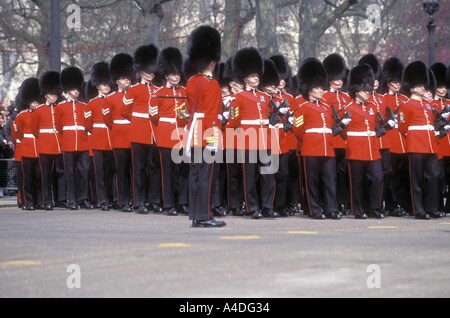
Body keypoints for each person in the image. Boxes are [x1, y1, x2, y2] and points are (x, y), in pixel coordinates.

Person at [229, 47, 277, 219]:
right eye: (252, 76)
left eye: (256, 75)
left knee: (268, 175)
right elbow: (234, 121)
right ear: (245, 78)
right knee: (249, 176)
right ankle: (251, 207)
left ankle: (267, 206)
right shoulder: (239, 97)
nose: (255, 78)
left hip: (265, 139)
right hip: (248, 139)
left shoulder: (265, 97)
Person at [292, 58, 343, 219]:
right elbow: (297, 129)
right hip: (310, 148)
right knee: (311, 182)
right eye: (317, 87)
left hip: (327, 148)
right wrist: (308, 141)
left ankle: (331, 209)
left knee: (330, 181)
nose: (321, 90)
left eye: (321, 87)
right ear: (309, 89)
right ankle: (314, 209)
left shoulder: (327, 107)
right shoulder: (302, 108)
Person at [185, 25, 226, 227]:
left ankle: (195, 215)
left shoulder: (191, 82)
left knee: (195, 174)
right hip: (207, 133)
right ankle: (205, 215)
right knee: (207, 176)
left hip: (194, 133)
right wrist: (212, 139)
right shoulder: (212, 84)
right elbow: (211, 115)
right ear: (212, 62)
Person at [398, 61, 446, 219]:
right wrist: (414, 138)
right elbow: (403, 126)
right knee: (416, 180)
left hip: (430, 145)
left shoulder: (427, 105)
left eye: (423, 85)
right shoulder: (406, 105)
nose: (423, 87)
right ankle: (418, 209)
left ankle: (431, 207)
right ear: (411, 88)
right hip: (416, 145)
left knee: (433, 177)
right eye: (419, 86)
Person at [122, 44, 160, 214]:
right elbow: (124, 111)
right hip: (139, 133)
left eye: (152, 71)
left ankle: (153, 200)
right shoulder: (133, 90)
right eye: (148, 71)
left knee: (153, 169)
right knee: (138, 169)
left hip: (154, 134)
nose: (151, 74)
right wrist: (138, 120)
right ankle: (138, 202)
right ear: (140, 71)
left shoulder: (157, 90)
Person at [343, 64, 385, 219]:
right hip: (356, 149)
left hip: (372, 148)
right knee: (357, 182)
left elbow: (376, 125)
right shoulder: (348, 108)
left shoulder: (372, 107)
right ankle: (358, 209)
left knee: (378, 178)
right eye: (364, 89)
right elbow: (342, 130)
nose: (368, 92)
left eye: (368, 89)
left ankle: (375, 207)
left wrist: (380, 130)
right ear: (356, 90)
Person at [151, 47, 187, 216]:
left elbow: (186, 114)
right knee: (167, 172)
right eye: (173, 74)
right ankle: (168, 204)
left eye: (177, 74)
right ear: (166, 75)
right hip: (165, 136)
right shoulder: (158, 93)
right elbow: (154, 117)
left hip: (180, 135)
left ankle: (181, 202)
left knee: (180, 171)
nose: (176, 77)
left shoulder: (184, 92)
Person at [358, 54, 392, 215]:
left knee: (383, 174)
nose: (375, 82)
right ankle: (367, 205)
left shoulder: (381, 99)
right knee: (366, 177)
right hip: (367, 143)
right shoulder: (363, 101)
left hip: (382, 141)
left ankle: (377, 204)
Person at [55, 67, 93, 210]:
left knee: (84, 171)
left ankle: (83, 198)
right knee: (69, 173)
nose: (76, 91)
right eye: (73, 89)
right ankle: (72, 200)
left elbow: (88, 124)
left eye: (77, 89)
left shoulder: (84, 106)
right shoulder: (60, 107)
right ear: (68, 89)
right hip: (68, 143)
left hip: (82, 142)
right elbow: (59, 126)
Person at [103, 53, 134, 213]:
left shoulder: (134, 95)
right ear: (117, 81)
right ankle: (122, 201)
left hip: (133, 135)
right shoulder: (111, 98)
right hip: (119, 137)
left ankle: (132, 199)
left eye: (128, 78)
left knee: (133, 170)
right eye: (123, 79)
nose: (126, 81)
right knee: (120, 170)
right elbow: (108, 119)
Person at [322, 53, 352, 215]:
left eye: (341, 77)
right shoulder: (325, 96)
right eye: (336, 77)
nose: (339, 80)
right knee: (331, 175)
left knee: (343, 174)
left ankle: (343, 202)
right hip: (332, 139)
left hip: (345, 141)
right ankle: (331, 202)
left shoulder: (347, 97)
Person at [31, 71, 66, 210]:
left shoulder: (59, 108)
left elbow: (62, 126)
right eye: (52, 94)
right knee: (45, 175)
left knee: (60, 173)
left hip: (58, 144)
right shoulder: (39, 110)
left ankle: (61, 199)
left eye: (56, 94)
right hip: (45, 145)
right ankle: (47, 201)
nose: (54, 97)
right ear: (46, 94)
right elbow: (34, 129)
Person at [260, 59, 290, 217]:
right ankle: (267, 206)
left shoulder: (279, 100)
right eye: (270, 85)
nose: (272, 88)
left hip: (281, 141)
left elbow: (288, 120)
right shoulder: (261, 100)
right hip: (267, 139)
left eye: (274, 85)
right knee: (268, 175)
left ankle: (280, 205)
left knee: (282, 175)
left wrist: (287, 123)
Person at [380, 57, 409, 216]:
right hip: (390, 140)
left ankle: (400, 204)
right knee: (390, 174)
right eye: (394, 81)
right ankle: (391, 204)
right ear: (388, 81)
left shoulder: (405, 99)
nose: (397, 84)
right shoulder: (383, 99)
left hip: (403, 142)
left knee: (401, 175)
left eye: (399, 81)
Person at [85, 62, 116, 211]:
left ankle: (111, 198)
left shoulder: (113, 100)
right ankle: (102, 200)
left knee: (110, 171)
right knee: (99, 173)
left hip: (112, 140)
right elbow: (88, 124)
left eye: (108, 84)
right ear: (97, 86)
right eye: (103, 85)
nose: (106, 87)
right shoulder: (91, 104)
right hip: (98, 141)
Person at [15, 78, 42, 210]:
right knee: (27, 178)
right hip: (27, 149)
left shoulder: (41, 113)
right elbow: (18, 134)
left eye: (36, 99)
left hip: (39, 149)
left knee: (38, 176)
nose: (35, 102)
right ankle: (28, 202)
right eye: (32, 100)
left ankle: (37, 201)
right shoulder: (21, 116)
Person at [430, 63, 450, 214]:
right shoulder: (431, 104)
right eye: (440, 86)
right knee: (438, 177)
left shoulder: (449, 103)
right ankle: (436, 205)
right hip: (438, 144)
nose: (443, 90)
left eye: (445, 87)